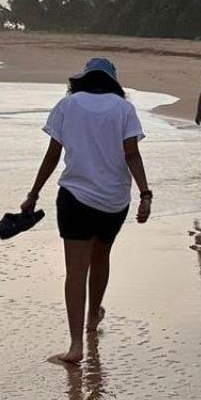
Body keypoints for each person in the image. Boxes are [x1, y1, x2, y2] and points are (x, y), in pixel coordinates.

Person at [22, 57, 152, 365]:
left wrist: (33, 194)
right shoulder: (124, 109)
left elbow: (53, 155)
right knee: (101, 257)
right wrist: (145, 194)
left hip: (75, 198)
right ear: (112, 82)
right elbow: (132, 154)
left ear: (83, 79)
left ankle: (76, 345)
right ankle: (93, 317)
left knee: (76, 270)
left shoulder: (68, 105)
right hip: (113, 201)